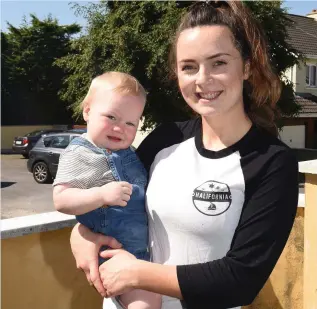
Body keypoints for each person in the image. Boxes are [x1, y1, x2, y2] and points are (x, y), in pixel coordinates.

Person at [69, 2, 299, 309]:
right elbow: (114, 205)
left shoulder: (271, 162)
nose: (202, 79)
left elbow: (241, 280)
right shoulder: (166, 139)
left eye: (218, 63)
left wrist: (139, 274)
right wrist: (81, 234)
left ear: (245, 67)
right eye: (189, 66)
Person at [53, 72, 161, 309]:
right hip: (113, 253)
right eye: (111, 116)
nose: (120, 128)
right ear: (87, 111)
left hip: (141, 253)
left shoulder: (130, 153)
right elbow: (61, 199)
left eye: (131, 123)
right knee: (147, 303)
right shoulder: (78, 152)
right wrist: (100, 196)